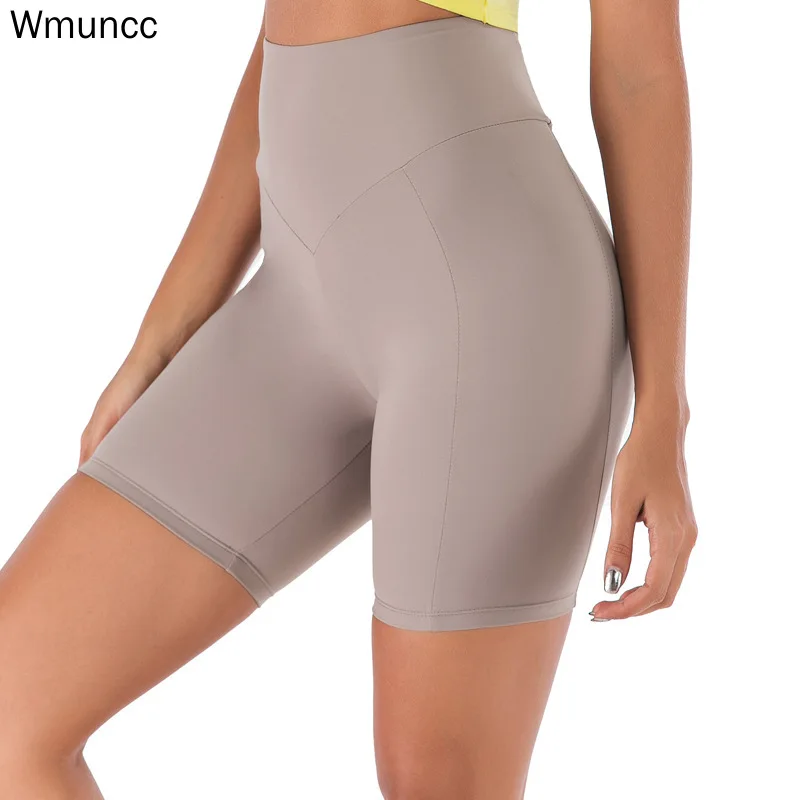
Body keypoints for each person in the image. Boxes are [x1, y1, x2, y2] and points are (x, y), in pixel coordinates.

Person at [0, 0, 698, 796]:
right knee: (14, 712)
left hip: (488, 285)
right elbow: (284, 37)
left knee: (435, 780)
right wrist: (161, 337)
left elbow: (640, 71)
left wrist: (663, 410)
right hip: (295, 301)